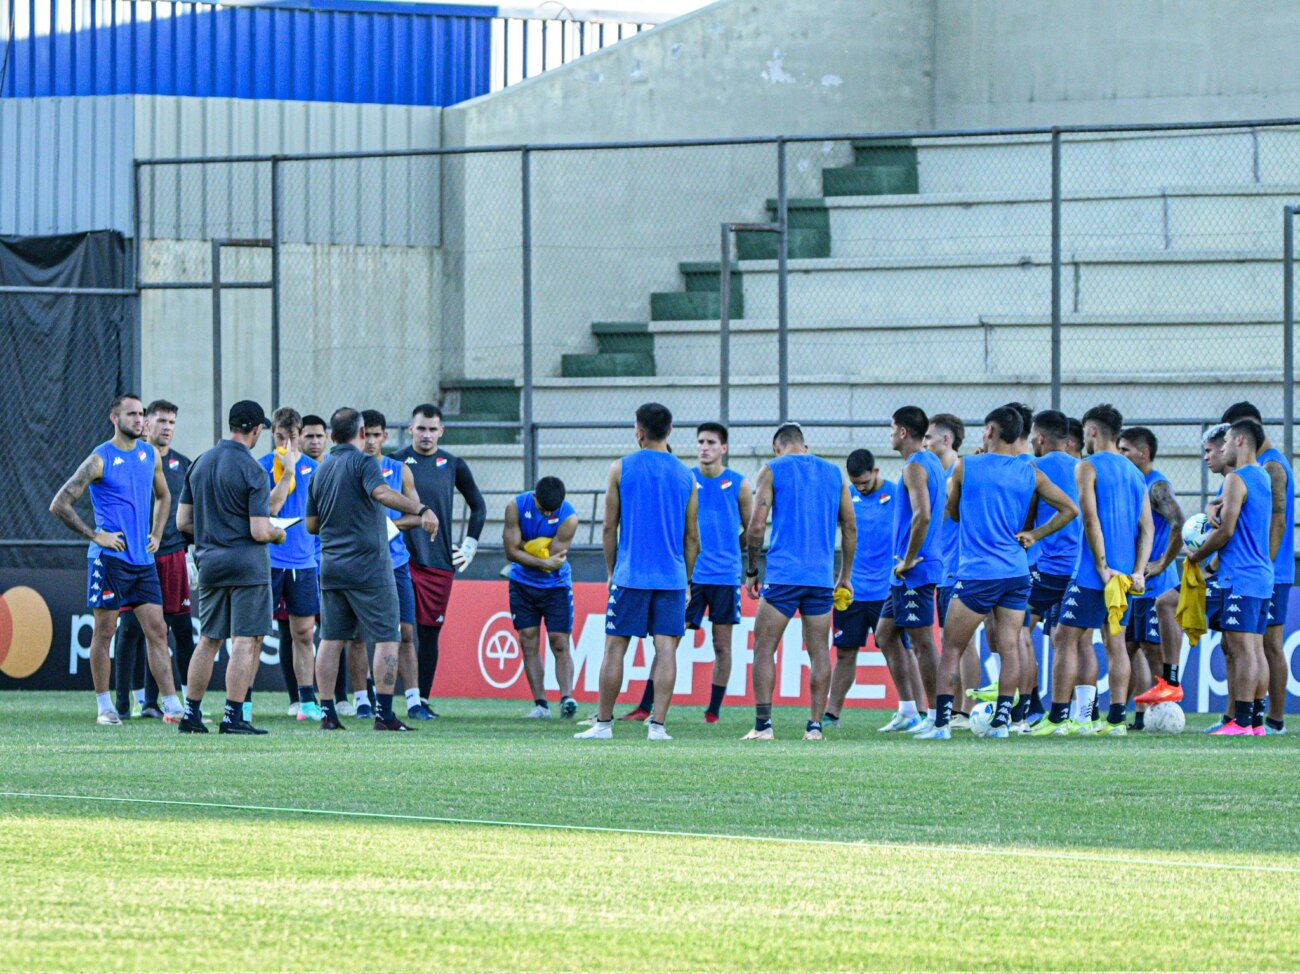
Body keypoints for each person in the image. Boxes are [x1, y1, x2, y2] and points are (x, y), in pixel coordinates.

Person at [919, 405, 1077, 740]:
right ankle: (1002, 722)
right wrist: (1034, 535)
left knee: (951, 646)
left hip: (978, 572)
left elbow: (953, 512)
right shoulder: (1029, 472)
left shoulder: (966, 466)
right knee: (1010, 645)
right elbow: (1070, 509)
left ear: (991, 431)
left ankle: (941, 725)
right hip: (1016, 571)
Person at [49, 394, 184, 725]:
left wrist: (156, 533)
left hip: (142, 562)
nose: (140, 420)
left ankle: (172, 705)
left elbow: (164, 495)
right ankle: (105, 707)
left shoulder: (148, 453)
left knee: (158, 630)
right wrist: (96, 536)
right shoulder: (99, 458)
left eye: (141, 414)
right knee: (105, 631)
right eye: (132, 414)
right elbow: (60, 503)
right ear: (114, 418)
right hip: (109, 560)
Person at [307, 407, 439, 731]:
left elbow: (311, 525)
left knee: (330, 639)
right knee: (387, 638)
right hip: (369, 566)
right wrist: (421, 509)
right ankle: (385, 714)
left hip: (331, 566)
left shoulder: (321, 469)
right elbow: (381, 493)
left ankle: (327, 714)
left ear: (330, 435)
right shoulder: (364, 462)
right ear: (362, 433)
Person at [575, 403, 698, 741]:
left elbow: (608, 526)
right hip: (671, 577)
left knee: (615, 647)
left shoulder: (621, 468)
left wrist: (612, 571)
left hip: (631, 574)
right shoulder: (687, 475)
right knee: (667, 648)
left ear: (638, 431)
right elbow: (692, 537)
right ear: (670, 431)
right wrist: (686, 579)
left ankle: (603, 725)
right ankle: (657, 726)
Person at [1032, 404, 1152, 737]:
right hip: (1126, 575)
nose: (1081, 437)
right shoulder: (1134, 473)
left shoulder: (1087, 467)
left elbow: (1090, 518)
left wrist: (1101, 566)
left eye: (1084, 431)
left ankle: (1057, 718)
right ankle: (1114, 720)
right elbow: (1148, 528)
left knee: (1065, 638)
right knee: (1115, 644)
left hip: (1092, 573)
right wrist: (1139, 571)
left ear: (1093, 431)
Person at [623, 422, 753, 724]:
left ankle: (712, 712)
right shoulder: (685, 478)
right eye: (700, 442)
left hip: (724, 577)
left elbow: (752, 529)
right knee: (668, 642)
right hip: (687, 576)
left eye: (710, 442)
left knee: (722, 645)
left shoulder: (739, 484)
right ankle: (645, 706)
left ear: (724, 448)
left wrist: (732, 550)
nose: (704, 447)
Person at [175, 401, 286, 735]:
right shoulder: (253, 471)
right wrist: (278, 534)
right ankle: (232, 717)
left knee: (208, 639)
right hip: (246, 565)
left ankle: (190, 715)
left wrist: (213, 532)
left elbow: (182, 521)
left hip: (210, 562)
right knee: (244, 640)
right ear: (255, 430)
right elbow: (259, 530)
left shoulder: (200, 462)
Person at [741, 422, 855, 742]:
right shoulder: (833, 473)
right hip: (820, 578)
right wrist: (844, 575)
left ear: (778, 448)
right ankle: (815, 726)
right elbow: (850, 527)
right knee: (819, 652)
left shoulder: (772, 469)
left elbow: (756, 526)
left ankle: (763, 726)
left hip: (783, 576)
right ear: (804, 446)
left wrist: (751, 571)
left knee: (764, 648)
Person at [392, 404, 487, 716]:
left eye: (433, 429)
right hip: (402, 559)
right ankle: (381, 698)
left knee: (429, 634)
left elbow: (479, 506)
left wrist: (470, 545)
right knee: (398, 631)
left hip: (439, 563)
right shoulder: (395, 462)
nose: (427, 435)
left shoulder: (453, 464)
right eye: (421, 428)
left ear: (442, 431)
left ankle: (422, 701)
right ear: (410, 429)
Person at [1184, 419, 1275, 736]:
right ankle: (1255, 722)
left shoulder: (1236, 478)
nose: (1220, 450)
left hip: (1241, 577)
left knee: (1242, 649)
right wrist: (1213, 504)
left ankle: (1241, 721)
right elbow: (1228, 512)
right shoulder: (1261, 475)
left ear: (1238, 441)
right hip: (1261, 576)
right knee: (1255, 649)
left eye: (1223, 445)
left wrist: (1196, 556)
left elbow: (1226, 530)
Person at [346, 410, 437, 722]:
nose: (370, 441)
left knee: (406, 632)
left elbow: (417, 514)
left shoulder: (399, 470)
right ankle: (361, 700)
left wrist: (390, 524)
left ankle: (413, 700)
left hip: (396, 562)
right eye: (366, 434)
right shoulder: (351, 468)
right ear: (359, 435)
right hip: (359, 561)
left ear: (384, 437)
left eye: (376, 435)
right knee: (357, 635)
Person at [112, 399, 194, 720]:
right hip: (136, 556)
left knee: (178, 630)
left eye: (172, 423)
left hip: (173, 556)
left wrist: (191, 550)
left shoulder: (184, 465)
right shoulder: (132, 459)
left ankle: (185, 701)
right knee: (131, 629)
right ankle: (125, 704)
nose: (167, 428)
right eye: (161, 421)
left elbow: (188, 512)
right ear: (146, 423)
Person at [1220, 402, 1294, 734]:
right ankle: (1244, 717)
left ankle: (1273, 719)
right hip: (1260, 569)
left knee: (1268, 644)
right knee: (1249, 644)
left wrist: (1264, 563)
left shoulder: (1272, 467)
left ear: (1244, 432)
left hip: (1268, 570)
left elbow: (1277, 521)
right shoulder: (1255, 468)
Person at [873, 406, 945, 734]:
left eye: (891, 428)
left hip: (913, 568)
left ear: (902, 432)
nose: (889, 435)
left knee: (922, 643)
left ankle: (936, 718)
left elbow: (923, 515)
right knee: (885, 634)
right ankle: (909, 711)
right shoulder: (930, 461)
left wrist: (908, 558)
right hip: (903, 572)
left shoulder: (916, 465)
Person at [257, 408, 322, 721]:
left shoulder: (315, 469)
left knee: (304, 634)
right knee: (254, 633)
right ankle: (241, 701)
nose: (286, 444)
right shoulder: (261, 468)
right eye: (280, 437)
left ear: (299, 436)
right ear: (272, 434)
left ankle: (306, 700)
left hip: (304, 562)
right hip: (268, 561)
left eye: (292, 438)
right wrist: (287, 472)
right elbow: (270, 506)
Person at [1118, 427, 1186, 719]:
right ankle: (1141, 712)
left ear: (1143, 453)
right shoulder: (1134, 482)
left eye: (1125, 450)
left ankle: (1167, 712)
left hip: (1156, 584)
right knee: (1129, 645)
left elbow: (1179, 523)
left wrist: (1161, 563)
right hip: (1136, 583)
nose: (1120, 455)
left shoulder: (1156, 485)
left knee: (1152, 649)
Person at [825, 449, 894, 728]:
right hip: (851, 592)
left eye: (865, 482)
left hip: (886, 591)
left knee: (898, 653)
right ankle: (832, 714)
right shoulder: (845, 497)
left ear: (876, 471)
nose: (861, 487)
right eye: (856, 483)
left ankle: (914, 711)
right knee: (844, 653)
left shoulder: (897, 494)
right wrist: (834, 572)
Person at [1022, 410, 1081, 724]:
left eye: (1033, 436)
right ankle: (1085, 713)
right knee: (1075, 641)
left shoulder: (1033, 467)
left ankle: (1028, 708)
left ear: (1040, 438)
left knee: (1015, 630)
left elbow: (1026, 516)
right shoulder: (1083, 469)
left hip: (1045, 568)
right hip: (1080, 570)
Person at [503, 476, 579, 719]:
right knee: (528, 641)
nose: (547, 514)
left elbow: (551, 562)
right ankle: (541, 705)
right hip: (522, 584)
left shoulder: (569, 518)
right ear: (534, 498)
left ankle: (566, 698)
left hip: (555, 585)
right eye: (542, 510)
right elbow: (510, 552)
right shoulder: (515, 507)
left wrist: (525, 547)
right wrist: (538, 555)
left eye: (551, 511)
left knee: (559, 642)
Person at [924, 412, 982, 729]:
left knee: (963, 641)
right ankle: (958, 707)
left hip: (960, 567)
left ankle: (966, 708)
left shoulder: (961, 472)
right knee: (952, 639)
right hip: (944, 567)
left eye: (929, 438)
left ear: (947, 440)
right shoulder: (937, 473)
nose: (925, 443)